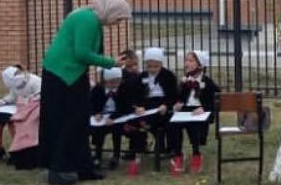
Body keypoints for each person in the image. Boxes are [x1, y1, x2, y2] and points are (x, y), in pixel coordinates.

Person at [38, 0, 131, 185]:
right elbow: (82, 53)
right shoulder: (87, 19)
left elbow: (90, 52)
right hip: (62, 75)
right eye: (119, 18)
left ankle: (83, 167)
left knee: (80, 122)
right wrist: (111, 63)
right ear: (110, 10)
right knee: (68, 122)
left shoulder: (91, 19)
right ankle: (60, 169)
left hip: (71, 74)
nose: (118, 23)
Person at [126, 46, 178, 176]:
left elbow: (173, 95)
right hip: (146, 106)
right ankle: (137, 152)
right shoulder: (141, 77)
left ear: (161, 64)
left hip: (162, 106)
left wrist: (166, 105)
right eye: (149, 66)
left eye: (156, 66)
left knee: (171, 123)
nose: (153, 69)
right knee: (134, 123)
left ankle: (172, 151)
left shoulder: (168, 76)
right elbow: (135, 95)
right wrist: (138, 106)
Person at [168, 50, 219, 175]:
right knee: (173, 124)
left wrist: (204, 108)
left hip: (200, 111)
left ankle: (196, 154)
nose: (187, 63)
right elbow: (179, 96)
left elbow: (216, 99)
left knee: (194, 125)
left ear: (200, 65)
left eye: (191, 61)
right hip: (186, 110)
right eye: (186, 60)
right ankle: (178, 155)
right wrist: (178, 103)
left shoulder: (207, 82)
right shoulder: (185, 81)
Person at [0, 64, 41, 162]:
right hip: (17, 108)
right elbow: (13, 96)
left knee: (13, 121)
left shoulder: (35, 81)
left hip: (32, 110)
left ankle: (17, 151)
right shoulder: (14, 85)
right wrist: (4, 101)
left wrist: (29, 101)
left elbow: (42, 96)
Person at [89, 67, 128, 170]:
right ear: (104, 81)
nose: (114, 85)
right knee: (98, 131)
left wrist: (113, 117)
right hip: (102, 117)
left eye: (117, 82)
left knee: (117, 131)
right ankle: (97, 155)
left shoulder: (123, 90)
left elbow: (124, 106)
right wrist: (96, 113)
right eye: (111, 82)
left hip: (117, 117)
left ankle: (116, 155)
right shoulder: (97, 89)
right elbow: (90, 103)